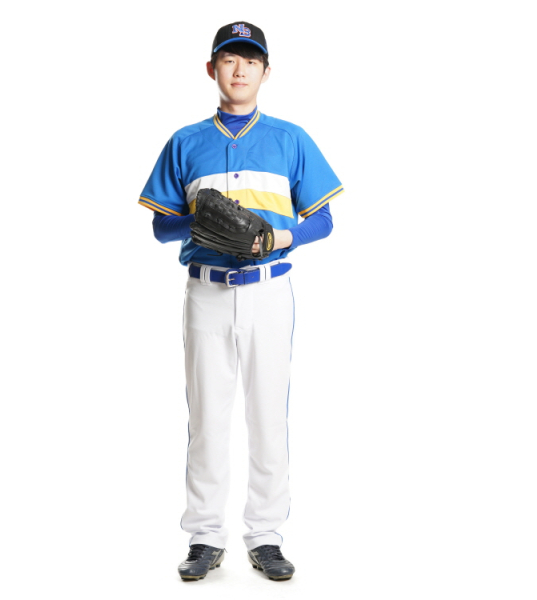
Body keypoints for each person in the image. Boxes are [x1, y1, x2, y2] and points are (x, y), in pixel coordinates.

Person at [139, 22, 344, 582]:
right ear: (212, 69)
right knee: (207, 419)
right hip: (205, 292)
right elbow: (160, 228)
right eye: (229, 59)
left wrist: (281, 237)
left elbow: (324, 219)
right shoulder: (185, 142)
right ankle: (205, 537)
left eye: (250, 61)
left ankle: (266, 536)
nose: (239, 69)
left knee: (267, 417)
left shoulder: (290, 139)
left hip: (269, 291)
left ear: (265, 71)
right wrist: (198, 219)